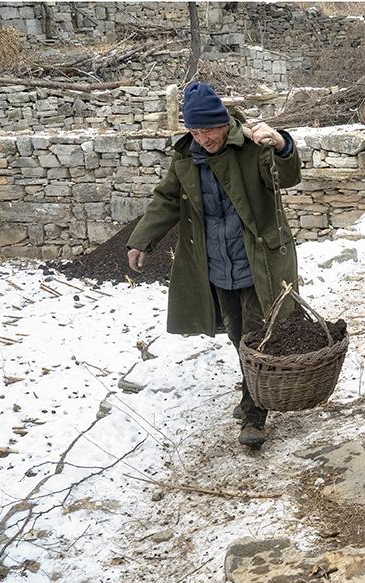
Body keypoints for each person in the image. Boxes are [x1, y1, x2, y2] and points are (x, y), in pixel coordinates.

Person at [126, 82, 301, 448]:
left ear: (225, 123)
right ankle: (252, 388)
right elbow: (166, 199)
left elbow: (287, 175)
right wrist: (143, 238)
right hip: (218, 264)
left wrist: (282, 144)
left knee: (257, 336)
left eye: (209, 129)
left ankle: (255, 413)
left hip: (259, 261)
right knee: (237, 336)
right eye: (195, 130)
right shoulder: (187, 158)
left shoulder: (252, 146)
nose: (204, 138)